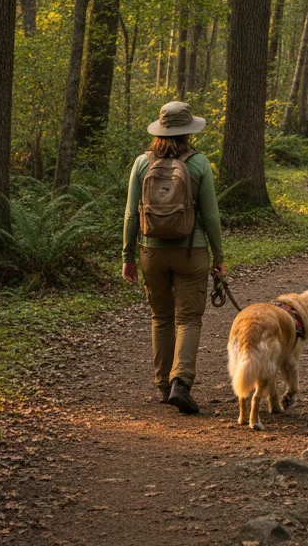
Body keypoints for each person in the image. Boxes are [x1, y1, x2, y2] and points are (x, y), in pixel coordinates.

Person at [122, 101, 225, 415]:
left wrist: (128, 256)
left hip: (151, 252)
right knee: (188, 319)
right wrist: (219, 257)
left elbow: (129, 215)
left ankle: (163, 386)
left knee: (161, 318)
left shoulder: (141, 163)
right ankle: (181, 381)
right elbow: (210, 216)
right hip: (191, 252)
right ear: (187, 132)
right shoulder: (199, 164)